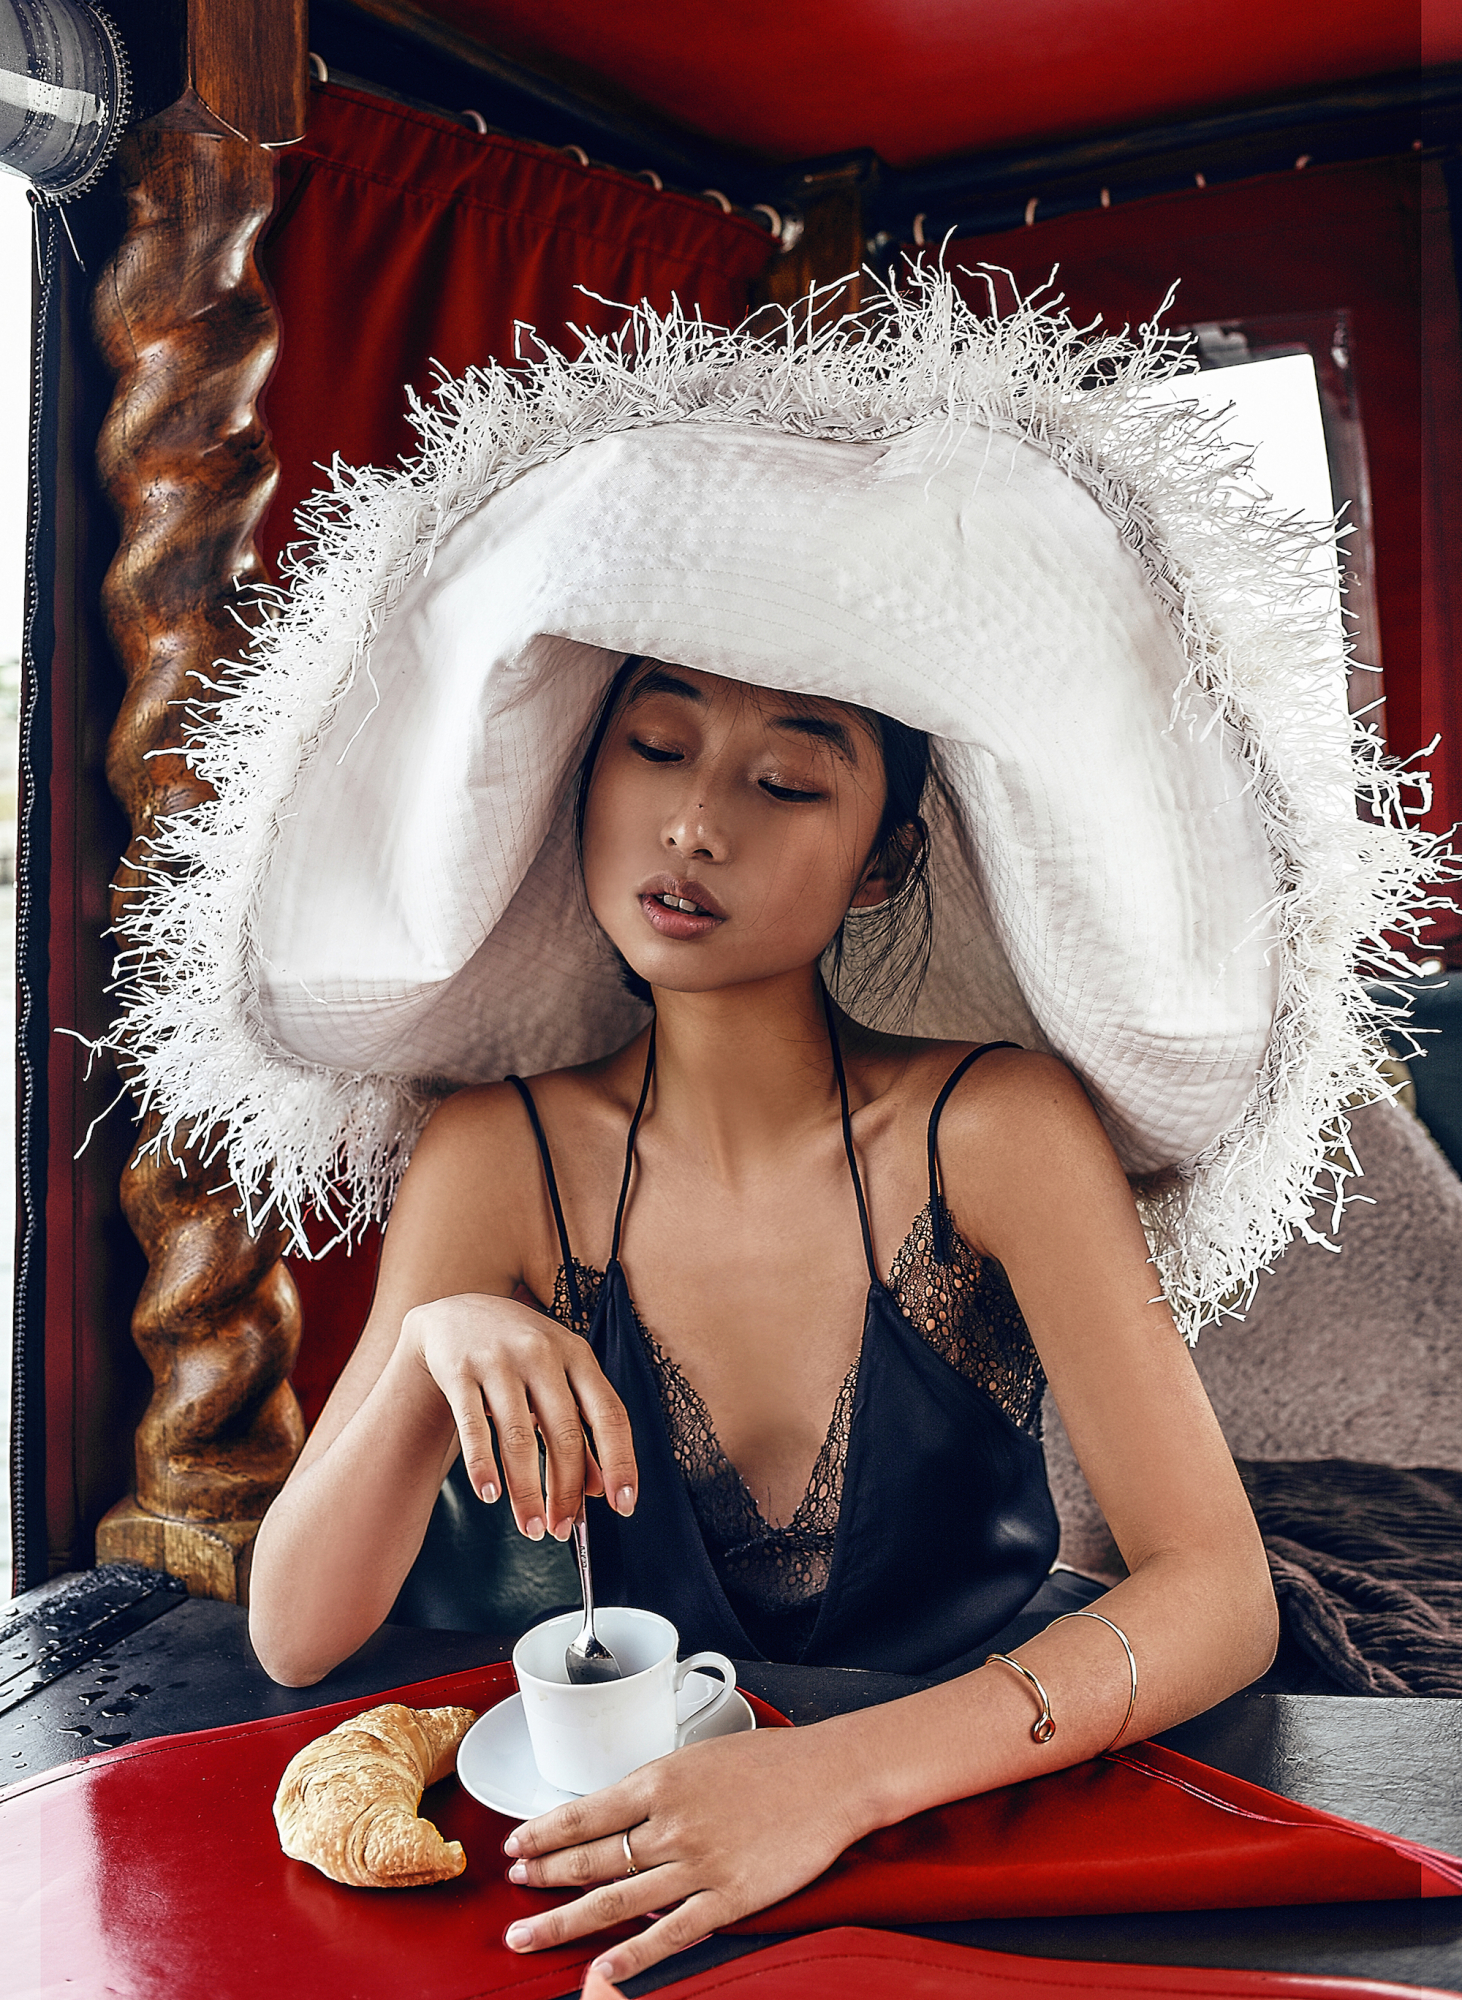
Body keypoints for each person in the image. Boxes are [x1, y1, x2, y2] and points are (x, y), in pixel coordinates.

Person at [109, 272, 1425, 1987]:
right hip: (643, 1816)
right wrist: (432, 1336)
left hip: (986, 1782)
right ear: (584, 781)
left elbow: (1213, 1593)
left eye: (789, 778)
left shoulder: (994, 1128)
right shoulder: (494, 1153)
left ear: (883, 859)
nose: (698, 823)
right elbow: (297, 1630)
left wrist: (831, 1783)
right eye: (656, 747)